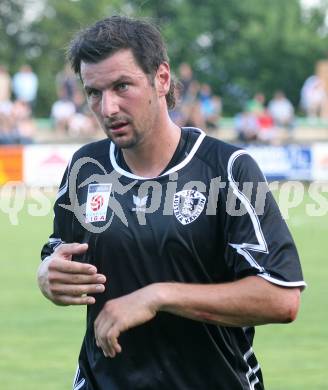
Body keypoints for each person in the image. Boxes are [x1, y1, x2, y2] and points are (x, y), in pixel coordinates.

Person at [37, 16, 306, 390]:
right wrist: (47, 274)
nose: (108, 107)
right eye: (94, 92)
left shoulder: (227, 168)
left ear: (162, 79)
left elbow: (281, 297)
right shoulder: (86, 168)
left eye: (122, 86)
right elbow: (58, 254)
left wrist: (157, 296)